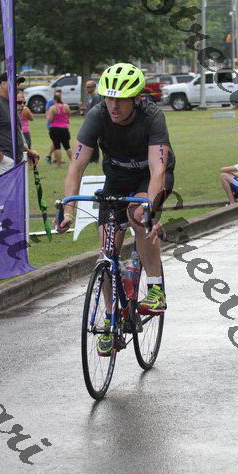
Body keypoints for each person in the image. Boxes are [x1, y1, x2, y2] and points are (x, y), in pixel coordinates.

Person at [56, 62, 175, 356]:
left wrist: (150, 210)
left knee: (137, 216)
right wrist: (69, 210)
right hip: (117, 179)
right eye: (108, 98)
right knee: (106, 251)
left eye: (120, 99)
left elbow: (158, 170)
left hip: (149, 178)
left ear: (136, 99)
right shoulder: (97, 115)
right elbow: (76, 167)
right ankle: (112, 321)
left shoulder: (152, 117)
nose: (113, 106)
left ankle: (155, 289)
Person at [0, 72, 39, 177]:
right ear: (3, 84)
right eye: (14, 83)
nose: (17, 87)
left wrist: (29, 152)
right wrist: (1, 158)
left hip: (16, 160)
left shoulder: (10, 104)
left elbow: (15, 135)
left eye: (18, 84)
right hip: (2, 163)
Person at [46, 90, 72, 167]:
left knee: (57, 146)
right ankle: (73, 162)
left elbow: (50, 119)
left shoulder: (53, 108)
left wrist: (48, 117)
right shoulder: (66, 106)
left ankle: (59, 164)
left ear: (54, 99)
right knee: (67, 147)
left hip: (55, 129)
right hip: (65, 128)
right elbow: (68, 116)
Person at [84, 80, 101, 163]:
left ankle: (95, 159)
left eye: (89, 87)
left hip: (94, 122)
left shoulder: (96, 97)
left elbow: (95, 110)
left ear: (94, 87)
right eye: (86, 87)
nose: (87, 88)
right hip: (88, 121)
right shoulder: (90, 97)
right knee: (90, 140)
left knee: (93, 140)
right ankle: (92, 158)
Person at [45, 88, 62, 164]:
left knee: (56, 142)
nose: (59, 95)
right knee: (56, 142)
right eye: (58, 93)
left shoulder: (60, 103)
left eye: (60, 93)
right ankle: (48, 156)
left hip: (59, 125)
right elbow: (47, 114)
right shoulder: (50, 102)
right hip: (52, 125)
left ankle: (55, 159)